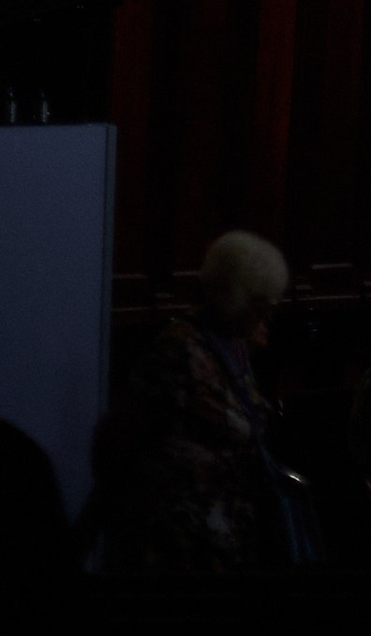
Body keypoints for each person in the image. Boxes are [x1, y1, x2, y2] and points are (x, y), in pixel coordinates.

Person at [89, 229, 316, 573]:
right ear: (238, 299)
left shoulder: (234, 349)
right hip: (176, 544)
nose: (267, 318)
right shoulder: (180, 350)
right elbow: (119, 441)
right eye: (262, 307)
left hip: (226, 540)